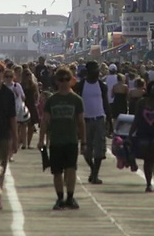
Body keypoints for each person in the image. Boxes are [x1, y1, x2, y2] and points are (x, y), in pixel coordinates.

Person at [38, 66, 85, 209]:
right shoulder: (52, 100)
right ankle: (59, 197)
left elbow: (81, 122)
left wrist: (84, 142)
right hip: (56, 140)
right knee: (57, 171)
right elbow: (45, 121)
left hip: (71, 140)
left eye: (67, 79)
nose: (64, 82)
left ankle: (70, 197)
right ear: (56, 81)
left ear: (71, 80)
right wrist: (41, 140)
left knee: (71, 169)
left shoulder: (76, 100)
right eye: (61, 79)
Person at [74, 61, 110, 185]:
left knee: (100, 149)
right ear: (88, 71)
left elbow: (105, 103)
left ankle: (95, 174)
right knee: (86, 149)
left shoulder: (102, 85)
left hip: (99, 118)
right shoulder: (81, 85)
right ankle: (93, 169)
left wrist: (109, 120)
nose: (97, 72)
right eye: (94, 70)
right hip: (85, 120)